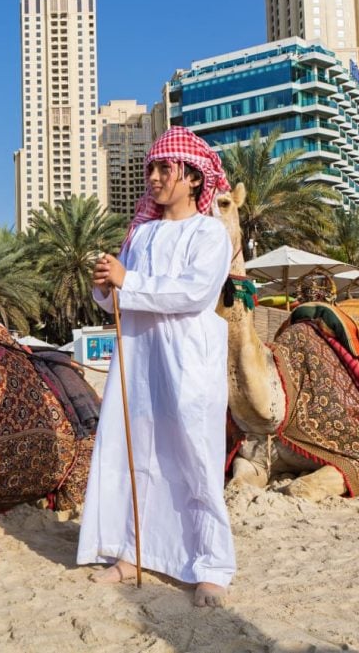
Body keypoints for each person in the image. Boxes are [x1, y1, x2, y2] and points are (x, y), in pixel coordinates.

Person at [77, 126, 236, 608]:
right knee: (135, 458)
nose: (154, 177)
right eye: (151, 168)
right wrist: (104, 285)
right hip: (139, 364)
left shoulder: (209, 232)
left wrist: (128, 280)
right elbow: (113, 302)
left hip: (187, 365)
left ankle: (210, 565)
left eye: (165, 168)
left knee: (194, 461)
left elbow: (194, 293)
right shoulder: (141, 234)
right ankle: (131, 552)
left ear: (192, 178)